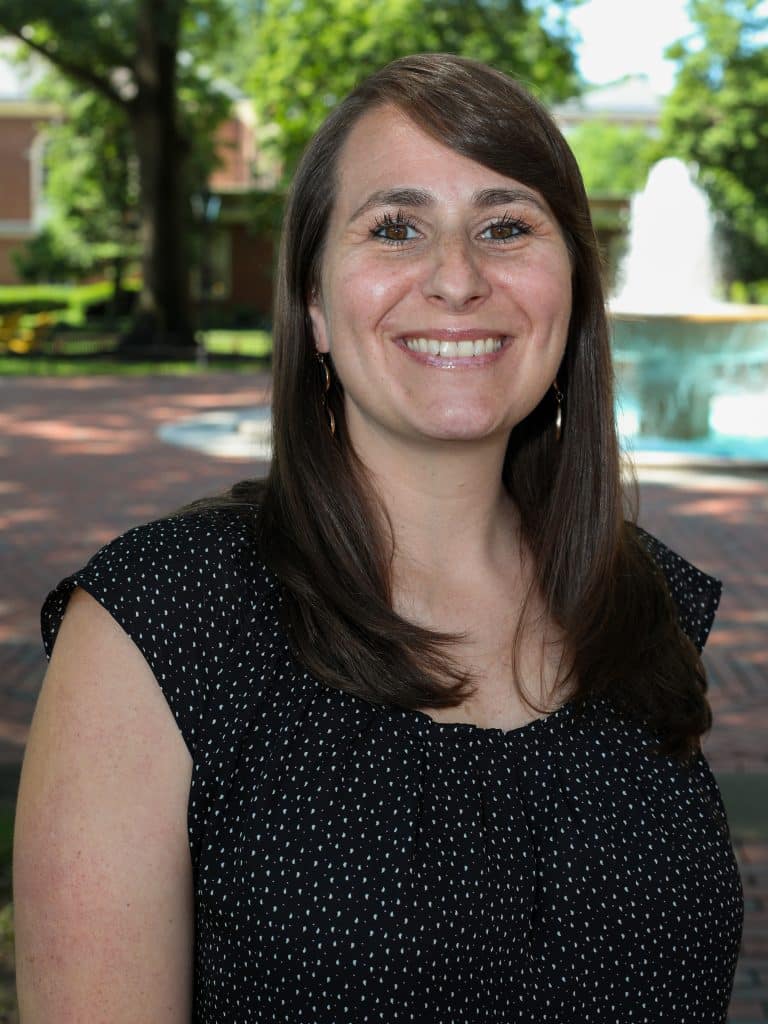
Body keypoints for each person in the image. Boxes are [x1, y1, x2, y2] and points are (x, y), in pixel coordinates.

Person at [14, 53, 743, 1022]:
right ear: (314, 304)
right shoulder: (164, 624)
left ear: (571, 291)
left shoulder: (639, 602)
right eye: (396, 227)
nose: (457, 277)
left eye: (507, 226)